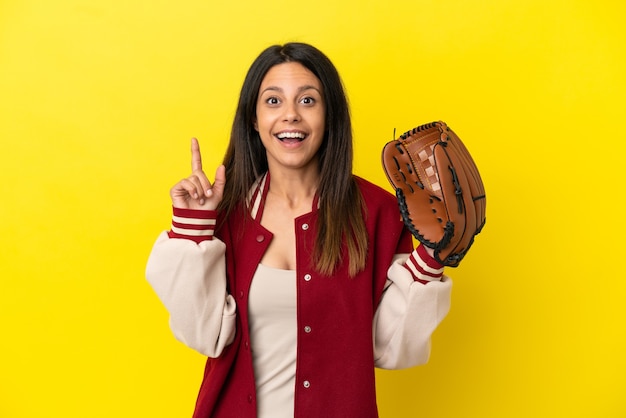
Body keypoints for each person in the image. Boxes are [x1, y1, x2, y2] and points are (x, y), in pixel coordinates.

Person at [146, 42, 452, 418]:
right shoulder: (226, 215)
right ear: (254, 120)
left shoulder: (378, 212)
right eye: (273, 101)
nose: (290, 115)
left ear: (329, 116)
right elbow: (205, 335)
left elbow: (389, 348)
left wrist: (430, 260)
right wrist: (194, 229)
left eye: (308, 101)